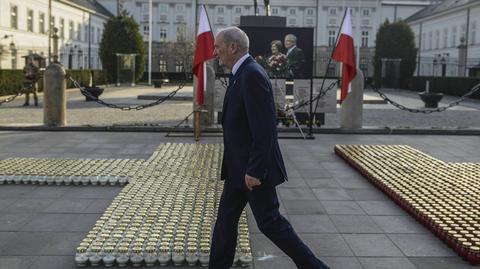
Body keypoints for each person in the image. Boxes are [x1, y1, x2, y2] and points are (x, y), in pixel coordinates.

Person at [210, 26, 330, 269]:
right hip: (238, 169)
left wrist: (254, 170)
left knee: (271, 223)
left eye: (218, 47)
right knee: (225, 223)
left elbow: (265, 130)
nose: (215, 52)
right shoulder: (241, 72)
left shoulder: (251, 74)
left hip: (252, 171)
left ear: (233, 47)